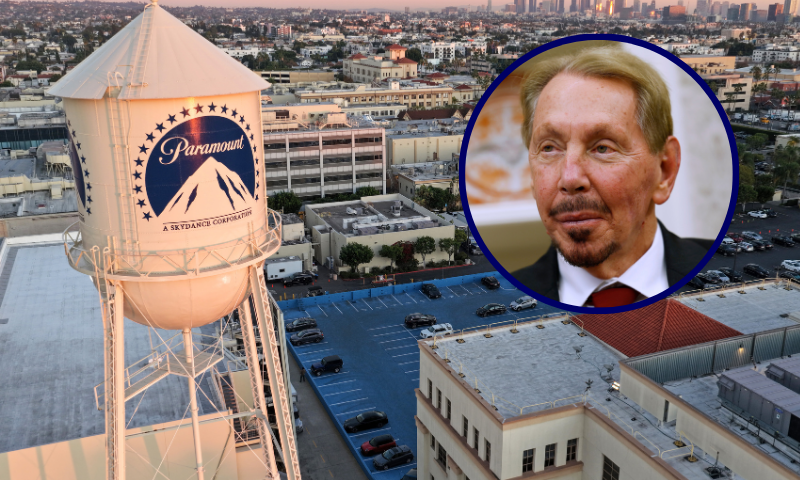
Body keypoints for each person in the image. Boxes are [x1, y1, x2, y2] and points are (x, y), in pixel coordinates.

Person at [512, 45, 713, 308]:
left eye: (603, 148)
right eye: (549, 148)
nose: (570, 179)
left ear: (665, 170)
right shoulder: (510, 299)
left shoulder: (723, 271)